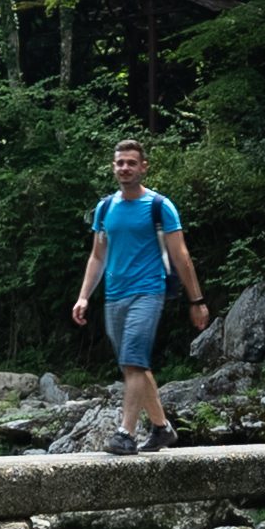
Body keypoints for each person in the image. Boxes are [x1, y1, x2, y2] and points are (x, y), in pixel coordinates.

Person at [68, 135, 208, 453]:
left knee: (133, 359)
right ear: (113, 167)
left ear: (143, 167)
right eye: (120, 163)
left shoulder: (159, 206)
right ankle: (161, 429)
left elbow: (181, 255)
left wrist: (196, 300)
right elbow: (97, 256)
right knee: (134, 366)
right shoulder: (105, 208)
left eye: (132, 163)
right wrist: (84, 296)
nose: (125, 168)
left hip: (148, 291)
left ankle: (125, 433)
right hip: (114, 296)